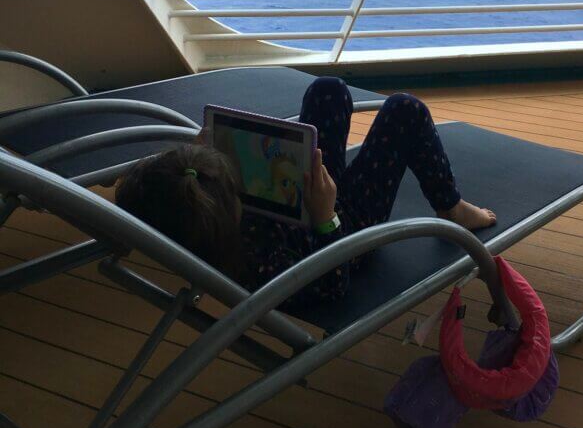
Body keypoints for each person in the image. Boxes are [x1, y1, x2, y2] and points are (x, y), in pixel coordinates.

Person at [115, 77, 496, 305]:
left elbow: (158, 190)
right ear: (227, 210)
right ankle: (450, 206)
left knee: (327, 90)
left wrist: (207, 160)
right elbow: (332, 284)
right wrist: (325, 218)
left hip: (295, 204)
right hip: (337, 235)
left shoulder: (201, 220)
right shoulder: (259, 266)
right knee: (405, 110)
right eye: (232, 186)